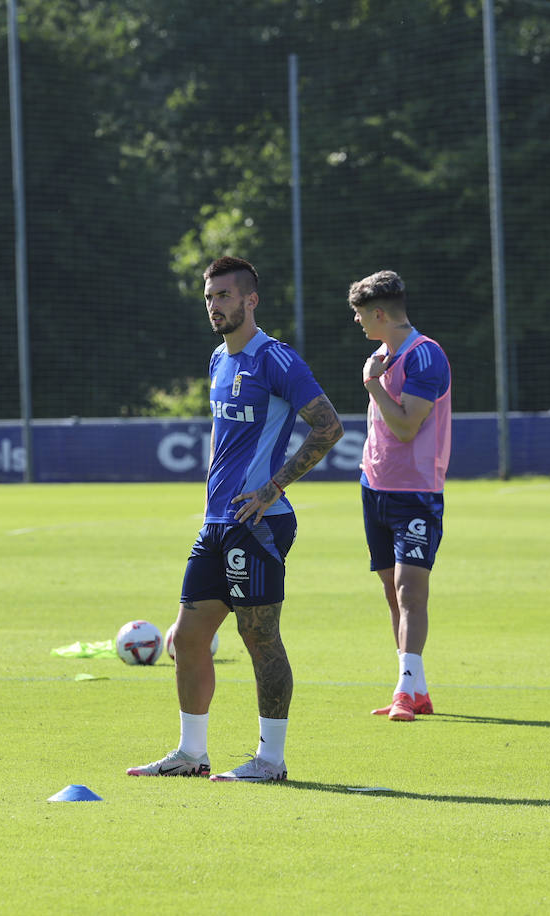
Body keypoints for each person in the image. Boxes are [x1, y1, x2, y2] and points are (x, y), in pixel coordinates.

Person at [128, 256, 344, 782]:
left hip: (259, 522)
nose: (214, 306)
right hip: (218, 523)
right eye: (209, 297)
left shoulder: (276, 359)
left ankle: (270, 760)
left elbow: (329, 426)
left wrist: (273, 487)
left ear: (251, 299)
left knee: (259, 636)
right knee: (187, 638)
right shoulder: (217, 360)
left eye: (224, 295)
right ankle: (191, 754)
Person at [349, 270, 451, 721]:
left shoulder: (425, 355)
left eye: (359, 314)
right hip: (375, 488)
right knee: (394, 593)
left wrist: (372, 385)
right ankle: (417, 689)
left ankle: (404, 693)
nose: (357, 322)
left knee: (411, 591)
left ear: (379, 313)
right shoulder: (379, 356)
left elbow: (408, 426)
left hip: (416, 493)